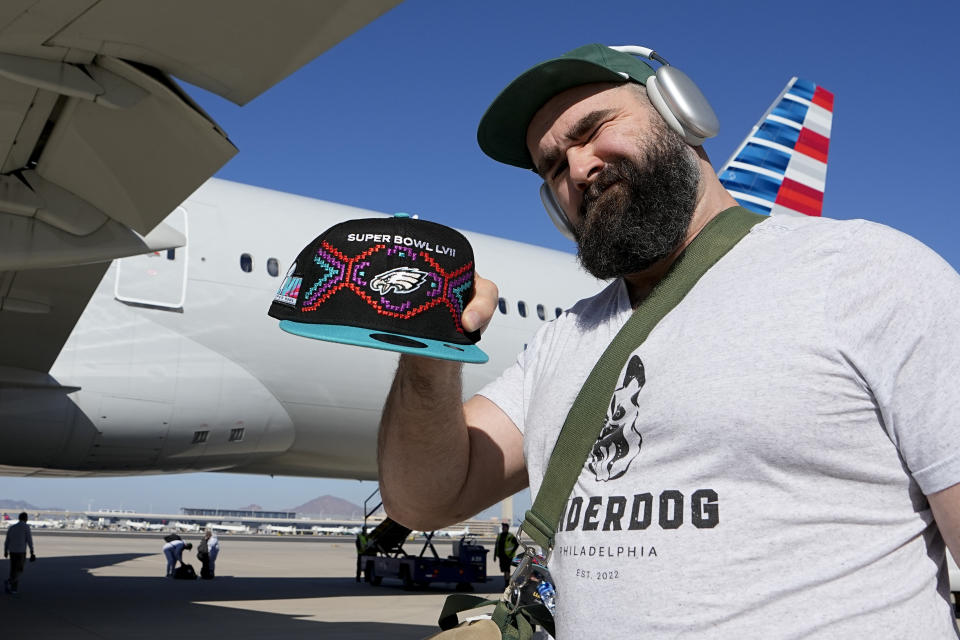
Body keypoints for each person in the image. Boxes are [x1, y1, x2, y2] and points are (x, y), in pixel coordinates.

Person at [377, 43, 960, 637]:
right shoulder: (564, 339)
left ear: (683, 114)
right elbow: (423, 500)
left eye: (594, 129)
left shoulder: (870, 274)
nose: (578, 169)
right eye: (553, 166)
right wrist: (430, 346)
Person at [4, 512, 36, 594]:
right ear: (26, 518)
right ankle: (11, 583)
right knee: (20, 569)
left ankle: (13, 588)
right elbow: (29, 540)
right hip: (21, 552)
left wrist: (5, 551)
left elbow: (7, 540)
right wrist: (32, 551)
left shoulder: (12, 527)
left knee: (13, 569)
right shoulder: (26, 527)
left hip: (12, 551)